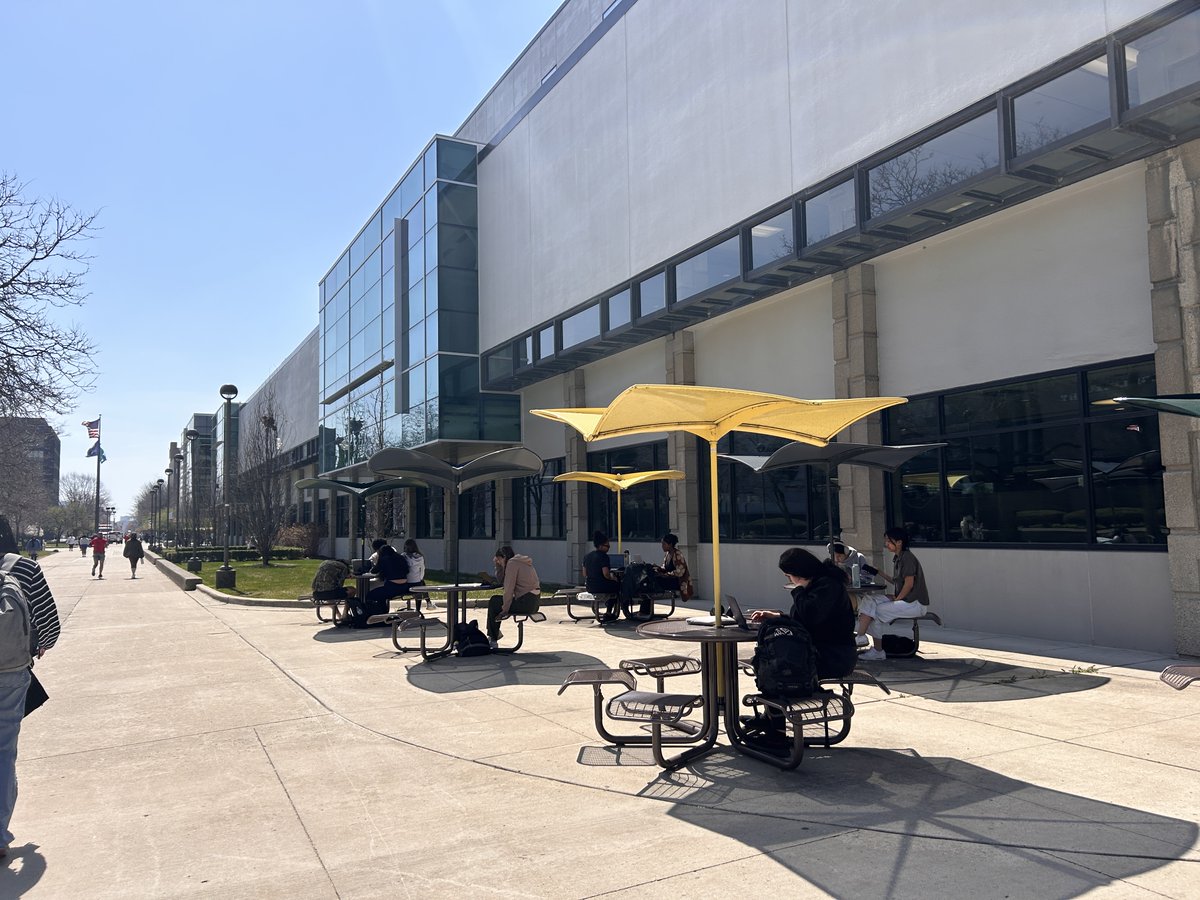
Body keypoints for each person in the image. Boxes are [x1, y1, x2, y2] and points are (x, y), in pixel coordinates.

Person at [0, 527, 61, 857]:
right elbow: (50, 625)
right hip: (9, 672)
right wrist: (36, 646)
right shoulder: (23, 567)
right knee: (2, 751)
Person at [749, 547, 857, 679]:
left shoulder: (827, 585)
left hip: (833, 656)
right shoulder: (818, 585)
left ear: (797, 573)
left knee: (778, 666)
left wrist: (799, 588)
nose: (790, 580)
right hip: (821, 651)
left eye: (789, 576)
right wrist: (778, 616)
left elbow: (810, 615)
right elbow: (804, 617)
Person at [855, 526, 930, 661]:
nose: (886, 544)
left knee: (875, 611)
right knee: (868, 600)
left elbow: (909, 584)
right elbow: (896, 581)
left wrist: (896, 599)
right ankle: (861, 637)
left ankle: (875, 649)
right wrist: (879, 572)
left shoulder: (907, 558)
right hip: (905, 600)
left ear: (899, 542)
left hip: (914, 603)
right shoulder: (898, 558)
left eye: (889, 541)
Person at [485, 545, 540, 650]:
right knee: (497, 601)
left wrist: (504, 610)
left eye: (499, 560)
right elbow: (503, 581)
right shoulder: (519, 562)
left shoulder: (512, 564)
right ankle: (494, 633)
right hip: (534, 602)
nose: (499, 562)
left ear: (504, 557)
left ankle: (493, 638)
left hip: (526, 602)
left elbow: (508, 590)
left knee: (494, 601)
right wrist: (498, 566)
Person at [581, 531, 620, 622]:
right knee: (618, 586)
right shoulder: (604, 557)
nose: (608, 548)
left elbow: (584, 574)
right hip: (601, 586)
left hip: (590, 586)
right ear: (601, 546)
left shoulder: (587, 556)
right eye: (607, 546)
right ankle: (609, 611)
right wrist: (614, 578)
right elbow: (606, 574)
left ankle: (607, 609)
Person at [365, 539, 410, 608]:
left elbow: (374, 571)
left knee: (370, 595)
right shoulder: (401, 558)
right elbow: (407, 571)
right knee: (381, 593)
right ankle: (383, 611)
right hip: (404, 586)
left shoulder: (384, 559)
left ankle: (378, 612)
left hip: (392, 587)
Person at [654, 533, 693, 600]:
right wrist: (658, 568)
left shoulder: (677, 554)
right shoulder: (667, 554)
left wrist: (666, 574)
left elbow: (680, 572)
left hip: (676, 581)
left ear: (670, 544)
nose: (662, 546)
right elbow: (665, 568)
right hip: (669, 579)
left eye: (664, 544)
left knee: (654, 581)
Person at [402, 539, 429, 610]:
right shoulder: (420, 557)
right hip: (417, 582)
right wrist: (420, 579)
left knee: (422, 584)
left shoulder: (404, 556)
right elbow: (422, 570)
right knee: (422, 584)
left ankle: (428, 601)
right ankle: (422, 606)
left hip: (406, 583)